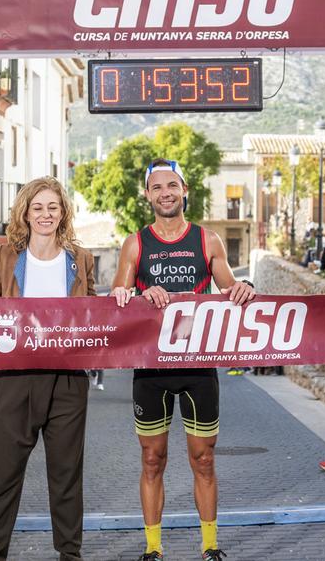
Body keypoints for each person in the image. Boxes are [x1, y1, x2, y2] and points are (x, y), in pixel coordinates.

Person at [110, 159, 257, 561]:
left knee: (204, 459)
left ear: (185, 188)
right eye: (157, 188)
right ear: (147, 195)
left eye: (171, 185)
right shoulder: (135, 243)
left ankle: (210, 546)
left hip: (197, 366)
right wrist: (140, 295)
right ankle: (153, 549)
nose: (165, 193)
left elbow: (230, 287)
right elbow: (116, 298)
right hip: (151, 369)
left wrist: (244, 288)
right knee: (152, 459)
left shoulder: (207, 240)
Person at [0, 177, 96, 561]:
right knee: (4, 476)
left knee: (66, 475)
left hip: (67, 382)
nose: (45, 215)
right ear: (25, 213)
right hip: (14, 380)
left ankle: (69, 554)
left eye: (53, 207)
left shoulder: (81, 258)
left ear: (63, 213)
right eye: (38, 208)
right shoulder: (6, 256)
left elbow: (93, 313)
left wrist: (121, 298)